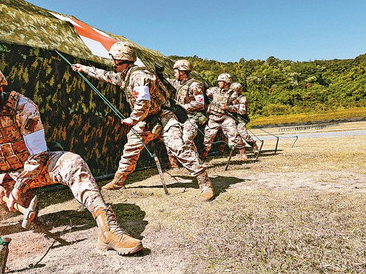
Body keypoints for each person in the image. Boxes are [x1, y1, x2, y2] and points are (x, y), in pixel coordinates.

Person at [0, 59, 143, 255]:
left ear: (0, 89)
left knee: (73, 163)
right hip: (1, 181)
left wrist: (20, 186)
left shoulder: (23, 107)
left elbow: (38, 153)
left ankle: (108, 229)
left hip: (36, 171)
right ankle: (24, 200)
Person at [72, 42, 214, 201]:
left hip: (164, 116)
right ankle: (119, 181)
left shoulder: (139, 76)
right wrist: (83, 68)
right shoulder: (125, 75)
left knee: (177, 147)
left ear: (123, 60)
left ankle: (204, 182)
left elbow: (143, 103)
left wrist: (132, 119)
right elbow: (105, 75)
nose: (113, 64)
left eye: (115, 61)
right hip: (145, 119)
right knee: (130, 149)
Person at [166, 59, 207, 168]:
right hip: (179, 116)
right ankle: (175, 162)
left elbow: (200, 103)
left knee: (187, 138)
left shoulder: (195, 85)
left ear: (182, 72)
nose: (174, 74)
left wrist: (185, 106)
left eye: (175, 72)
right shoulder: (177, 83)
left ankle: (196, 162)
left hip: (191, 116)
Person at [201, 73, 245, 159]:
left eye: (220, 81)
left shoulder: (233, 94)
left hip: (226, 118)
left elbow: (238, 107)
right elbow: (203, 93)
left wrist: (228, 107)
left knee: (234, 135)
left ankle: (242, 152)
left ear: (226, 82)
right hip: (213, 118)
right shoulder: (213, 90)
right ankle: (204, 154)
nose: (218, 83)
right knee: (208, 138)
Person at [229, 82, 259, 160]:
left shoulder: (242, 98)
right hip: (231, 120)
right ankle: (243, 153)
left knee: (244, 134)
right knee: (236, 136)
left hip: (240, 119)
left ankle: (254, 145)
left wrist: (233, 108)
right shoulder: (228, 98)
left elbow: (242, 111)